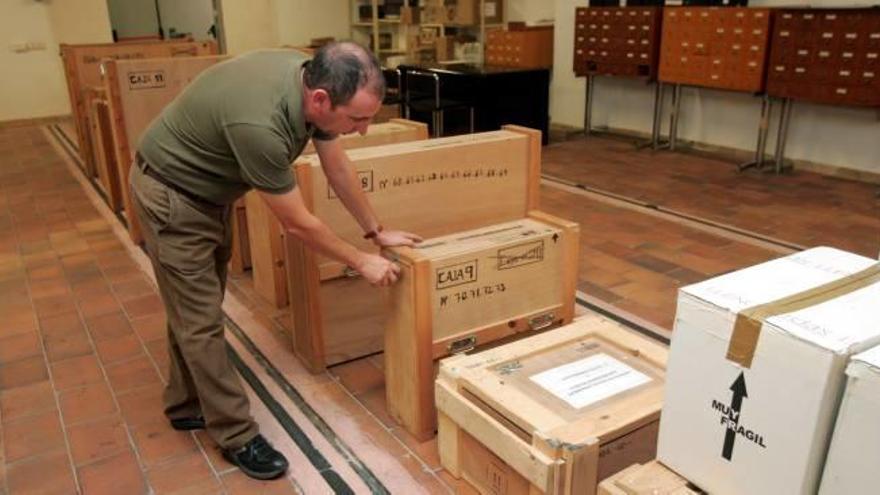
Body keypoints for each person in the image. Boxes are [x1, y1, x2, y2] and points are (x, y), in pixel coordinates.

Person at [129, 42, 422, 480]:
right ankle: (236, 434)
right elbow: (299, 224)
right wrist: (361, 261)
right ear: (321, 99)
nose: (362, 130)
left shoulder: (309, 83)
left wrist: (375, 232)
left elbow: (337, 166)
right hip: (174, 196)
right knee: (202, 320)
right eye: (357, 119)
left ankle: (185, 403)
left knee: (193, 307)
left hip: (207, 192)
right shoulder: (260, 126)